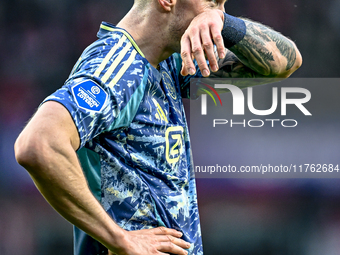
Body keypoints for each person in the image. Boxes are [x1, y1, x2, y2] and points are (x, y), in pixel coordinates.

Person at [14, 0, 302, 254]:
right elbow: (38, 144)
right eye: (213, 2)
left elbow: (284, 64)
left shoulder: (171, 65)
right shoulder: (119, 66)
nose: (218, 14)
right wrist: (120, 240)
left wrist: (225, 22)